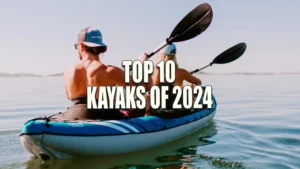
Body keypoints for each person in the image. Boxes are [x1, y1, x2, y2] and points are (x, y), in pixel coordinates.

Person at [61, 27, 136, 120]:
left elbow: (69, 96)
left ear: (81, 46)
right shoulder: (110, 71)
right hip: (104, 116)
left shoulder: (68, 72)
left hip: (75, 115)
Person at [144, 43, 202, 117]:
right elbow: (199, 82)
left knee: (148, 95)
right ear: (174, 56)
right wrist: (188, 77)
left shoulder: (152, 71)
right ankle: (194, 106)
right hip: (174, 106)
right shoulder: (181, 72)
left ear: (160, 55)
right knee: (191, 85)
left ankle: (147, 114)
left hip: (158, 107)